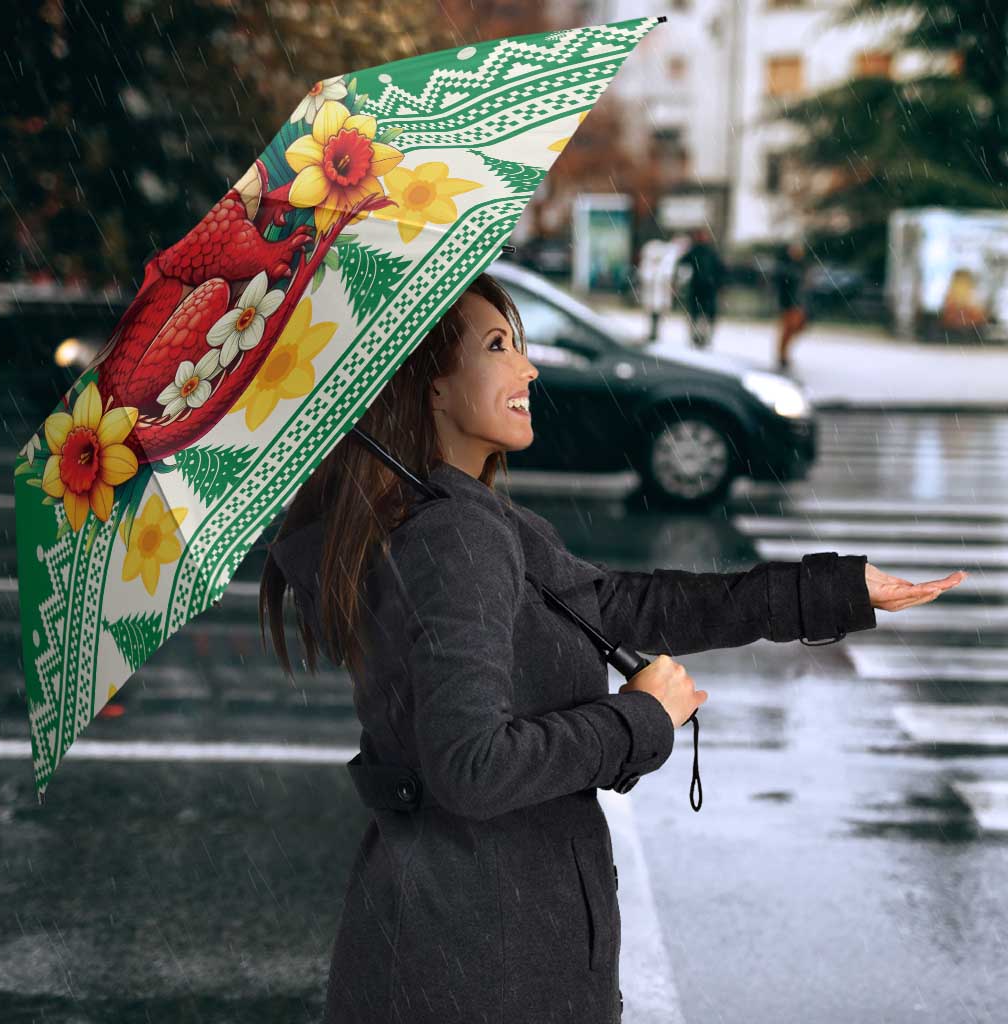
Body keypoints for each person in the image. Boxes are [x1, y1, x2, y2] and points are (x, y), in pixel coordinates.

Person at [260, 271, 966, 1024]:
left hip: (461, 943)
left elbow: (627, 605)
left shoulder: (463, 519)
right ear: (430, 387)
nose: (528, 368)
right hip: (480, 962)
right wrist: (639, 719)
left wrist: (833, 590)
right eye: (498, 346)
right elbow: (471, 767)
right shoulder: (454, 536)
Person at [676, 226, 726, 349]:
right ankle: (697, 337)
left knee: (704, 315)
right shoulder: (696, 251)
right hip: (699, 288)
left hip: (707, 288)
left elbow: (720, 270)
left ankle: (703, 337)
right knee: (697, 314)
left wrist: (719, 284)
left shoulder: (709, 252)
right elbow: (682, 264)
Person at [774, 239, 810, 370]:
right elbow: (783, 286)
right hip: (789, 303)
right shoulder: (786, 267)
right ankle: (782, 355)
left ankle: (783, 354)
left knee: (796, 328)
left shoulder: (801, 266)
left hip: (798, 303)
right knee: (788, 329)